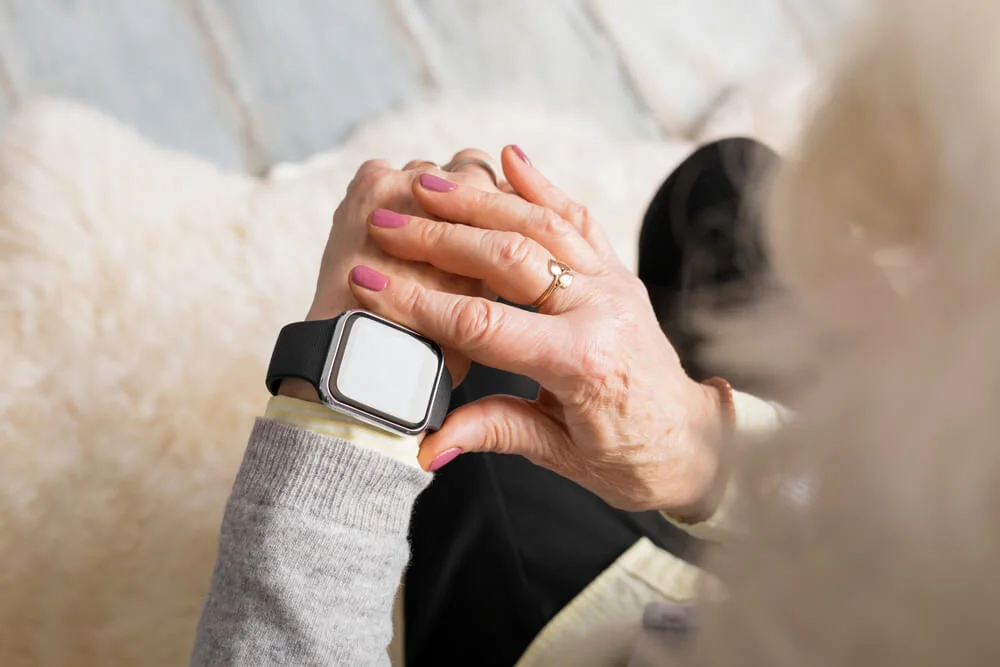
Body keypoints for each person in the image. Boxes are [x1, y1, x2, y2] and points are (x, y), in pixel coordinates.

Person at [189, 140, 782, 666]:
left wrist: (355, 413)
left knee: (467, 327)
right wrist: (701, 444)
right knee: (735, 187)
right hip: (780, 588)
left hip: (585, 632)